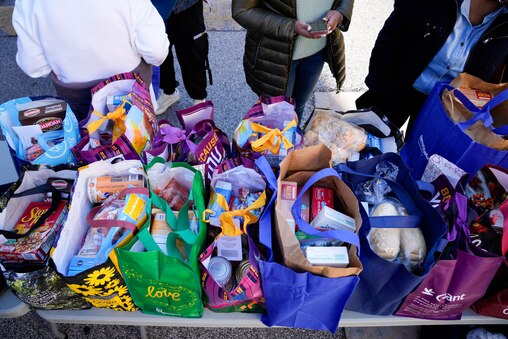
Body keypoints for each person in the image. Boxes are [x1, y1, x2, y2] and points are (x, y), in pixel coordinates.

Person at [356, 0, 508, 131]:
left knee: (418, 161)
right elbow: (391, 35)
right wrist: (378, 85)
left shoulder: (504, 22)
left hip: (444, 110)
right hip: (397, 86)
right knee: (361, 144)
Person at [13, 0, 169, 120]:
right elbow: (156, 51)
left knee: (87, 154)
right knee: (143, 151)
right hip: (134, 97)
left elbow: (33, 65)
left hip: (78, 102)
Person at [232, 0, 354, 120]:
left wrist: (341, 12)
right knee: (276, 116)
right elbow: (242, 11)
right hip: (276, 55)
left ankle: (292, 139)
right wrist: (291, 26)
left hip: (317, 51)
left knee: (298, 107)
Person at [156, 0, 212, 115]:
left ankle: (198, 97)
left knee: (191, 48)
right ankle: (169, 91)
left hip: (187, 4)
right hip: (155, 4)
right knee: (158, 47)